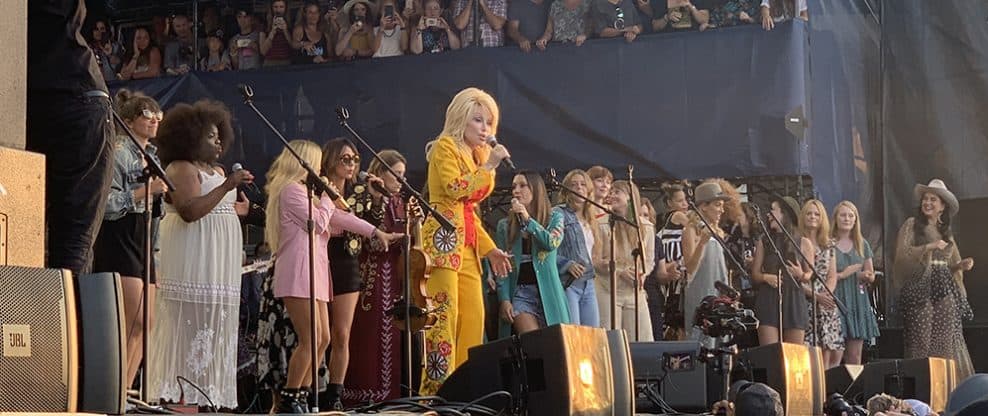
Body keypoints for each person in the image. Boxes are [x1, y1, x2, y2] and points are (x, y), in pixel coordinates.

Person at [262, 140, 399, 413]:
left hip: (316, 273)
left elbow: (340, 218)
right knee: (311, 338)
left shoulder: (307, 194)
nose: (317, 170)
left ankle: (301, 394)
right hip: (299, 273)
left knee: (323, 339)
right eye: (313, 163)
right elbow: (319, 222)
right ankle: (290, 397)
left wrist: (375, 232)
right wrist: (328, 195)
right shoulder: (291, 191)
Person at [148, 100, 253, 409]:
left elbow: (216, 207)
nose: (218, 141)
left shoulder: (216, 170)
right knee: (187, 330)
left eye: (220, 134)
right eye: (210, 136)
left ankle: (203, 399)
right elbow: (190, 210)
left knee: (211, 329)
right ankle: (181, 402)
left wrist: (237, 208)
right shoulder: (181, 168)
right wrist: (227, 187)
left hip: (217, 264)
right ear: (189, 137)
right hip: (191, 260)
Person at [419, 87, 513, 395]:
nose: (485, 129)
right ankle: (434, 394)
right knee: (443, 320)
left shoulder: (475, 156)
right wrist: (488, 167)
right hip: (442, 247)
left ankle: (464, 390)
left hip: (468, 250)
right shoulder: (445, 147)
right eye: (478, 120)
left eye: (489, 122)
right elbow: (455, 188)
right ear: (461, 118)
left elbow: (468, 211)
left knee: (474, 318)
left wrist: (490, 249)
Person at [27, 0, 114, 278]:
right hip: (72, 96)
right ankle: (62, 319)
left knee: (34, 237)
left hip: (47, 100)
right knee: (70, 243)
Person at [320, 138, 403, 409]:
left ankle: (335, 395)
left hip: (347, 262)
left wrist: (376, 199)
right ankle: (312, 389)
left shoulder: (359, 189)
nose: (351, 164)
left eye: (354, 159)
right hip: (322, 257)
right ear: (331, 159)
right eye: (345, 158)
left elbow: (372, 228)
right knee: (320, 334)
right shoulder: (318, 187)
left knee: (342, 332)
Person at [92, 89, 167, 390]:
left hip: (143, 237)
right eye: (147, 116)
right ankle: (111, 390)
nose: (154, 122)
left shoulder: (152, 158)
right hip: (120, 235)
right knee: (130, 320)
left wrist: (156, 256)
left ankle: (122, 391)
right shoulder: (119, 153)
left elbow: (158, 215)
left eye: (158, 117)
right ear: (128, 120)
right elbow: (106, 205)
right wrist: (144, 192)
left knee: (146, 323)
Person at [344, 150, 408, 404]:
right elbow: (363, 236)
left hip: (393, 277)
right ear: (380, 173)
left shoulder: (400, 202)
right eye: (396, 174)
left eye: (403, 175)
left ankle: (390, 395)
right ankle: (363, 397)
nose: (400, 180)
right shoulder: (364, 195)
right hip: (370, 276)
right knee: (367, 336)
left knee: (390, 333)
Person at [894, 179, 975, 380]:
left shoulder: (945, 231)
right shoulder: (911, 225)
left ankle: (943, 389)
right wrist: (928, 247)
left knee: (944, 342)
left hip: (943, 287)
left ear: (942, 206)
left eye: (933, 199)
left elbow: (949, 263)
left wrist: (960, 265)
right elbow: (902, 256)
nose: (927, 203)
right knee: (920, 343)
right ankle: (920, 390)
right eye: (925, 199)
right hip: (919, 288)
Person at [496, 171, 570, 337]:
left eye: (523, 185)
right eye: (514, 186)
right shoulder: (504, 225)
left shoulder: (555, 217)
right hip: (521, 293)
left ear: (536, 190)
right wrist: (504, 299)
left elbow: (552, 243)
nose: (516, 190)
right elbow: (502, 267)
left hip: (548, 292)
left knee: (556, 345)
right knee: (533, 343)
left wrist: (528, 220)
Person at [592, 180, 655, 341]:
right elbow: (595, 260)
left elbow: (649, 260)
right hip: (608, 290)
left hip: (635, 292)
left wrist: (642, 274)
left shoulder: (646, 227)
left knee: (642, 339)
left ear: (629, 197)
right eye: (610, 192)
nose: (611, 195)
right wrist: (619, 272)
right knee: (609, 341)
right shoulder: (601, 224)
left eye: (617, 192)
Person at [751, 196, 810, 345]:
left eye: (773, 210)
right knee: (771, 354)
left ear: (784, 213)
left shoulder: (803, 242)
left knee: (794, 355)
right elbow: (755, 274)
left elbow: (810, 275)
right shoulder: (763, 241)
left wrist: (801, 274)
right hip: (768, 298)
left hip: (794, 298)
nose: (768, 214)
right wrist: (765, 277)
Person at [681, 180, 730, 347]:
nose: (722, 210)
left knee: (721, 342)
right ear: (703, 207)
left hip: (719, 295)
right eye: (717, 205)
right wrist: (702, 242)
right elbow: (690, 268)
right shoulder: (691, 230)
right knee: (701, 342)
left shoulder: (720, 232)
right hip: (700, 294)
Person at [831, 200, 879, 365]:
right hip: (835, 298)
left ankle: (853, 389)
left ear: (856, 220)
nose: (847, 219)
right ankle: (831, 389)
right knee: (834, 354)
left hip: (857, 300)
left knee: (855, 356)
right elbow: (821, 275)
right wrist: (844, 274)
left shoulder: (862, 243)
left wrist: (866, 276)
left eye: (851, 216)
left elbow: (871, 273)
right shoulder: (829, 243)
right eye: (843, 215)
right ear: (836, 218)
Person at [800, 199, 843, 368]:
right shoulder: (797, 241)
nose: (813, 217)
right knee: (810, 353)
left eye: (817, 214)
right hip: (806, 299)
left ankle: (827, 388)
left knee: (830, 350)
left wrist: (826, 294)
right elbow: (796, 279)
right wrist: (815, 295)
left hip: (825, 299)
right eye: (809, 213)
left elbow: (832, 275)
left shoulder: (829, 244)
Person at [553, 169, 600, 327]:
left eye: (583, 184)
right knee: (574, 332)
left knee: (593, 331)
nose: (579, 188)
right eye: (574, 185)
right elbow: (547, 248)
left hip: (588, 282)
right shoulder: (558, 214)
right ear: (567, 191)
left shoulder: (590, 218)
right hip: (568, 282)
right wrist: (566, 264)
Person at [656, 181, 689, 340]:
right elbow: (696, 227)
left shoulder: (666, 222)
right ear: (670, 203)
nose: (685, 204)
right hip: (675, 269)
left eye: (685, 200)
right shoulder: (677, 216)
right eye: (680, 201)